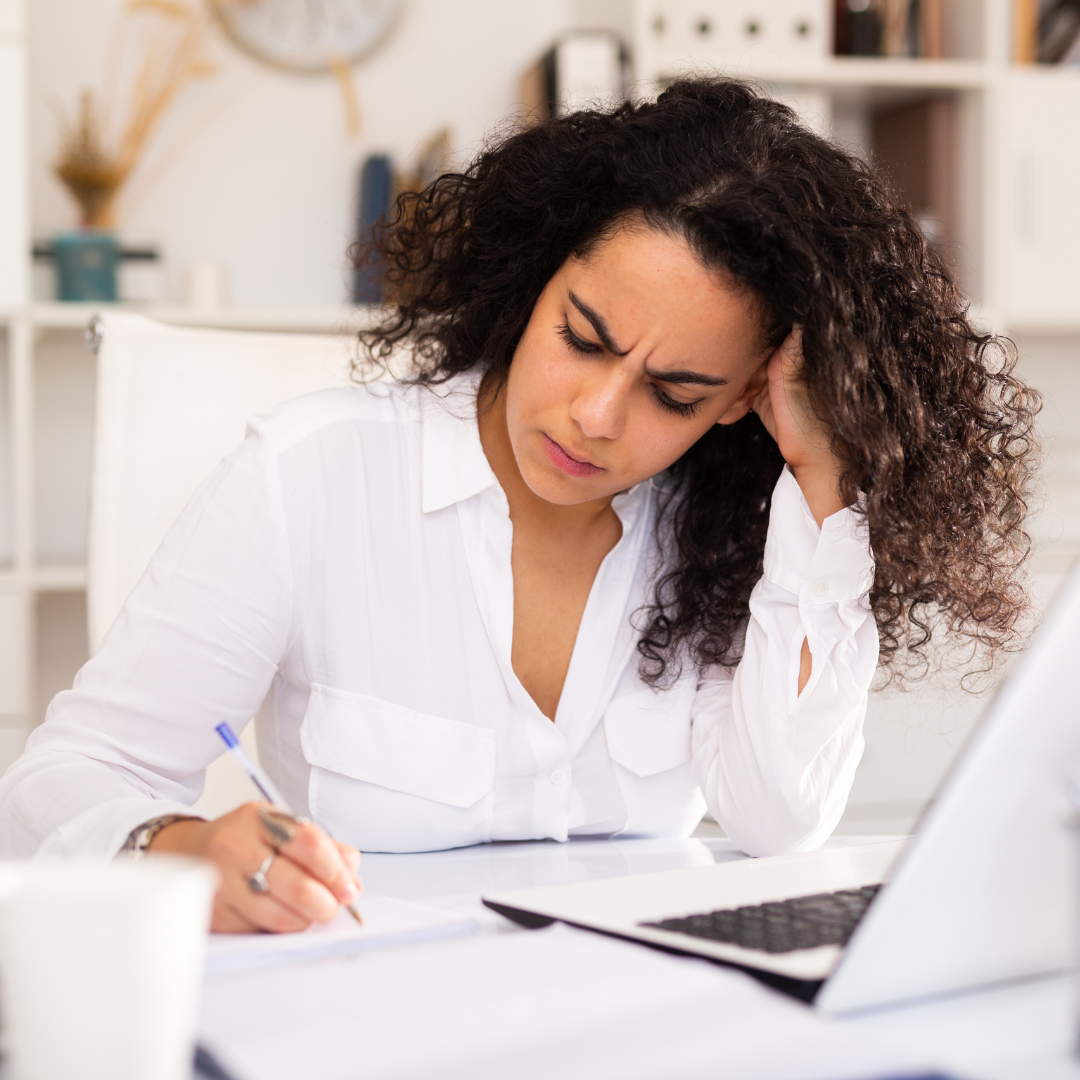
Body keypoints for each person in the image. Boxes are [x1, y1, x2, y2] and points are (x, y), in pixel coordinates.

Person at [0, 79, 1039, 934]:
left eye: (675, 393)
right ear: (537, 278)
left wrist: (821, 481)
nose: (597, 415)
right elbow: (68, 776)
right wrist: (178, 847)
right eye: (582, 338)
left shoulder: (730, 532)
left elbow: (780, 821)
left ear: (743, 400)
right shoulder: (310, 476)